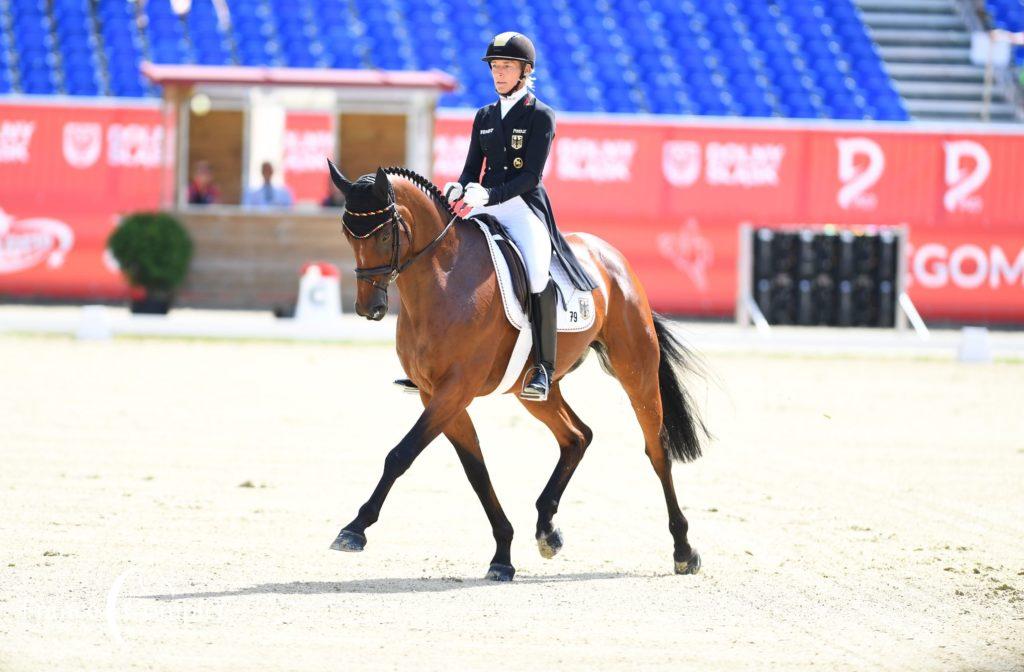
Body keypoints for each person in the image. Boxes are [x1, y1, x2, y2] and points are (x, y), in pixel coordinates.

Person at [396, 32, 597, 402]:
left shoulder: (540, 116)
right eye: (495, 67)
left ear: (525, 71)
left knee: (537, 273)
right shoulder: (485, 116)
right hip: (483, 203)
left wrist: (487, 193)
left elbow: (530, 177)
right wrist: (460, 188)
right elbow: (472, 168)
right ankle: (429, 361)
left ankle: (542, 368)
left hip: (522, 207)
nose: (499, 73)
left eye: (506, 67)